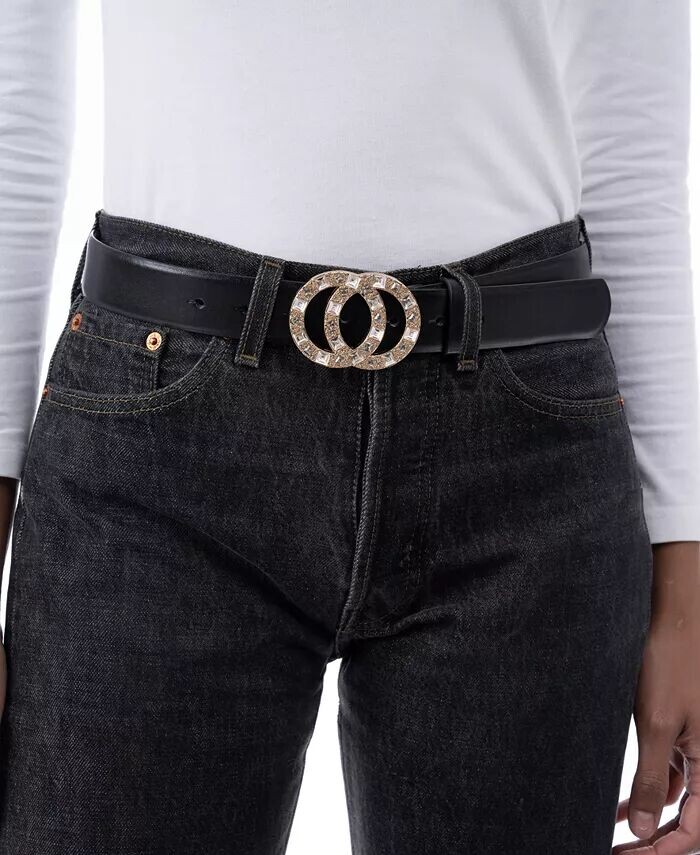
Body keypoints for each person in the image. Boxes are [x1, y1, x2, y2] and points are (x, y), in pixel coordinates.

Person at [0, 1, 699, 853]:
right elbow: (10, 109)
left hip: (526, 457)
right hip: (158, 444)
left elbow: (634, 151)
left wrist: (685, 586)